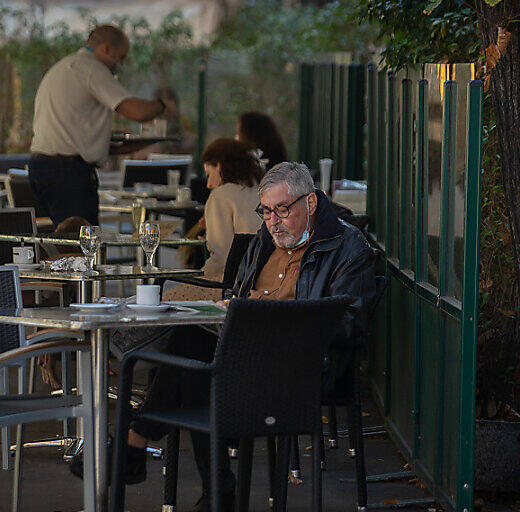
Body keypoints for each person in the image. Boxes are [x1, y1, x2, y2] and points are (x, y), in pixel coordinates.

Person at [73, 162, 376, 511]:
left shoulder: (349, 247)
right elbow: (239, 291)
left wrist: (257, 313)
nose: (273, 221)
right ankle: (210, 486)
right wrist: (229, 307)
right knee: (192, 349)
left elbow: (347, 323)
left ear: (309, 204)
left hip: (300, 365)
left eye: (282, 210)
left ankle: (142, 446)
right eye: (266, 211)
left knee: (194, 364)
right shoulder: (265, 238)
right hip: (242, 352)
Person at [29, 25, 177, 226]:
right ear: (107, 49)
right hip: (67, 174)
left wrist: (125, 145)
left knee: (63, 244)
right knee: (82, 247)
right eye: (122, 57)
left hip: (43, 168)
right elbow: (137, 112)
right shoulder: (92, 69)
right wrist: (161, 105)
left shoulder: (65, 66)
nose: (121, 64)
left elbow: (74, 133)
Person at [164, 138, 263, 301]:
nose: (208, 184)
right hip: (262, 281)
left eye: (209, 174)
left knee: (165, 297)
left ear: (220, 166)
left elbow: (221, 258)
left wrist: (199, 276)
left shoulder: (221, 195)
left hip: (232, 285)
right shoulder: (262, 190)